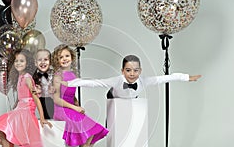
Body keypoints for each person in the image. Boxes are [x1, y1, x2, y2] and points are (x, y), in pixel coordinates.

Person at [52, 44, 109, 147]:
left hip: (71, 107)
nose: (65, 59)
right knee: (88, 128)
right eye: (61, 57)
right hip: (62, 109)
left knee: (94, 129)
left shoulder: (72, 75)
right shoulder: (57, 76)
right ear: (57, 60)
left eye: (67, 56)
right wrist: (74, 107)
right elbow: (56, 98)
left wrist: (77, 104)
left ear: (72, 57)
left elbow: (71, 94)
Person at [64, 55, 201, 98]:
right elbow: (94, 83)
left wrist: (187, 77)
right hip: (114, 97)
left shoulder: (144, 81)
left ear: (140, 71)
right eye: (128, 70)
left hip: (131, 99)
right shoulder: (116, 80)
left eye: (135, 70)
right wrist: (69, 83)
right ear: (122, 71)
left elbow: (165, 78)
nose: (132, 74)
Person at [32, 49, 54, 119]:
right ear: (35, 63)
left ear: (50, 62)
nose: (43, 62)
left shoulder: (54, 74)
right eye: (40, 60)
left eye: (46, 59)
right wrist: (36, 90)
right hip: (40, 101)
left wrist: (54, 89)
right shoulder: (33, 76)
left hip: (52, 100)